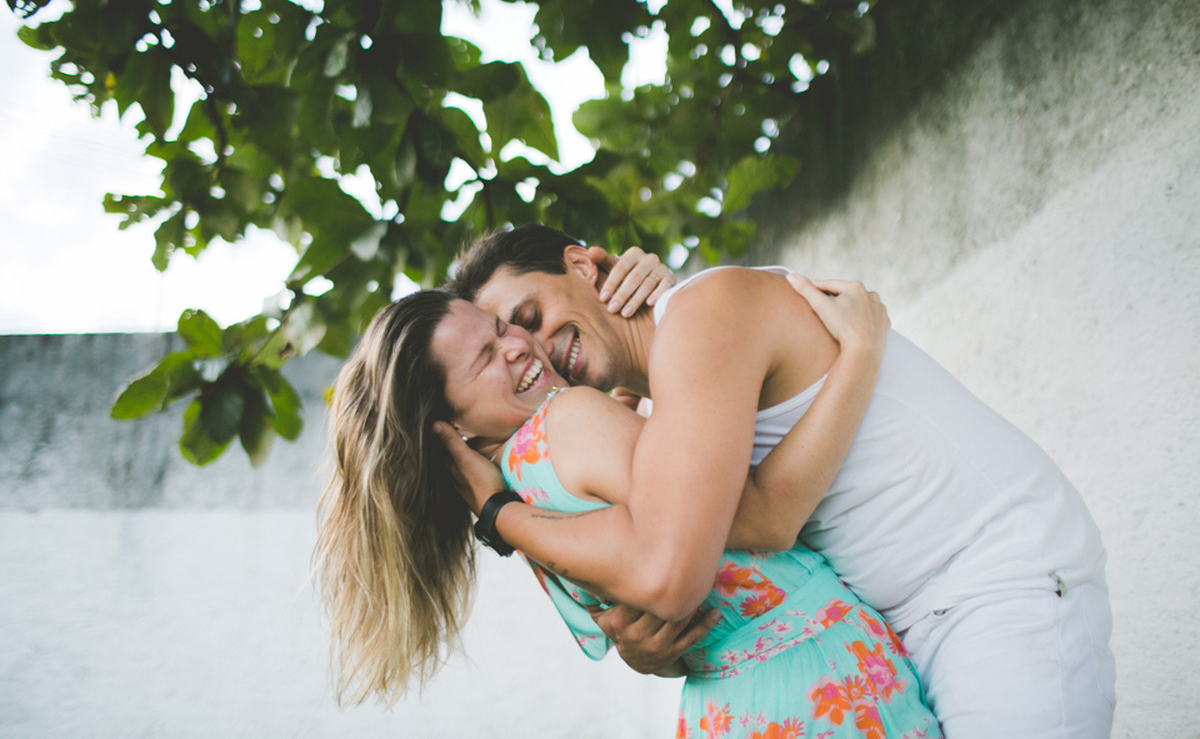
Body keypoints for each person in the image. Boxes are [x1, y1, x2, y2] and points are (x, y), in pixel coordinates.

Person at [440, 224, 1115, 739]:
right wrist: (653, 652)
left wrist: (497, 511)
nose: (531, 345)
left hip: (993, 585)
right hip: (892, 627)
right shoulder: (646, 413)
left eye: (527, 318)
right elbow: (728, 571)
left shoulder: (705, 312)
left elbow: (764, 522)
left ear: (586, 265)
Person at [317, 285, 943, 738]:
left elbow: (645, 631)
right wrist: (860, 355)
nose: (514, 345)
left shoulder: (520, 491)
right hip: (819, 678)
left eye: (499, 326)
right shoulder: (568, 422)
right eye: (483, 358)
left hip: (730, 707)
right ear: (450, 427)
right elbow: (754, 519)